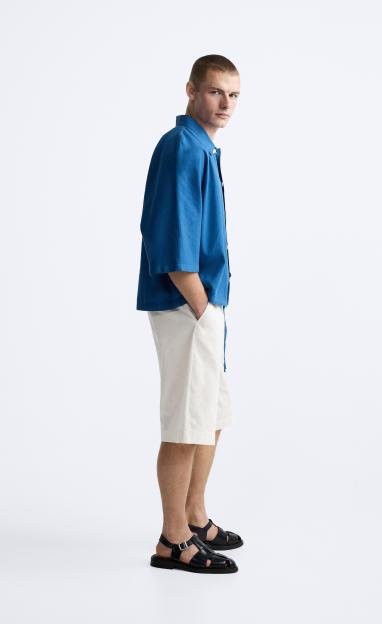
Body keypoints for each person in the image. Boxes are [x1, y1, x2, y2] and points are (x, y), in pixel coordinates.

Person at [136, 55, 242, 574]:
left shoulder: (203, 147)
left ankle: (194, 516)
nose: (226, 104)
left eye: (234, 95)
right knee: (184, 422)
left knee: (210, 416)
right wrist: (200, 305)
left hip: (204, 304)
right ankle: (173, 539)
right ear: (191, 90)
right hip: (186, 304)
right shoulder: (182, 146)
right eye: (216, 92)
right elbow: (172, 237)